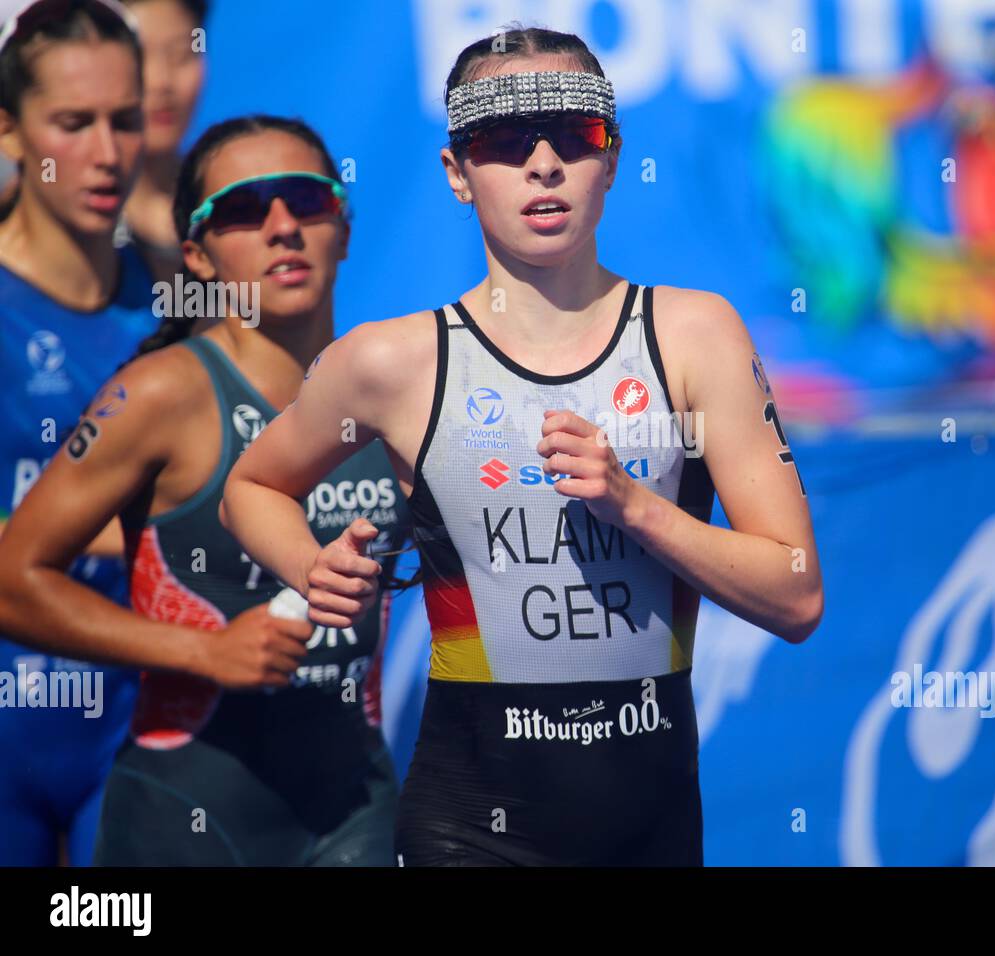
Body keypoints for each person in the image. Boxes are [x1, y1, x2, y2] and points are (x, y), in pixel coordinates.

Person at [221, 26, 824, 867]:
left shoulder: (695, 335)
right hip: (467, 829)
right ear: (456, 174)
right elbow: (251, 487)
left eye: (573, 137)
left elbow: (796, 598)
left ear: (611, 158)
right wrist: (312, 569)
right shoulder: (393, 361)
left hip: (651, 833)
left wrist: (635, 507)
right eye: (505, 141)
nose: (543, 164)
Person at [0, 113, 412, 865]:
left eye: (305, 199)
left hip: (357, 807)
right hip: (184, 812)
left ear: (343, 228)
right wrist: (203, 650)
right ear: (198, 255)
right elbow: (11, 583)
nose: (282, 226)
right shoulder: (161, 396)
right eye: (244, 211)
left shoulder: (393, 391)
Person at [0, 0, 157, 866]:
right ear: (10, 130)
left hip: (136, 731)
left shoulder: (181, 302)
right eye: (73, 123)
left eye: (124, 121)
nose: (106, 155)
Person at [116, 0, 206, 282]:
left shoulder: (229, 207)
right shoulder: (52, 215)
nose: (161, 82)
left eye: (182, 55)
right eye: (137, 57)